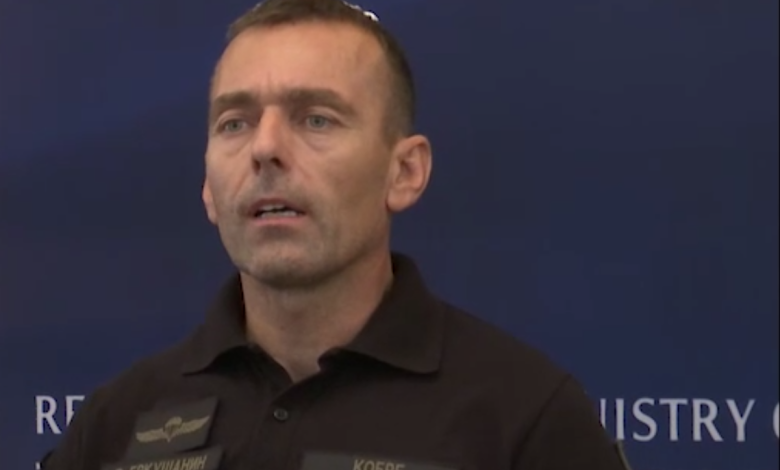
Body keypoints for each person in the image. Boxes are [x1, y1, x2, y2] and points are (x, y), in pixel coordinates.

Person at [43, 0, 631, 469]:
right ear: (208, 190)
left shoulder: (525, 419)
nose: (265, 148)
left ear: (404, 172)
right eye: (235, 122)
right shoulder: (115, 422)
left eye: (316, 118)